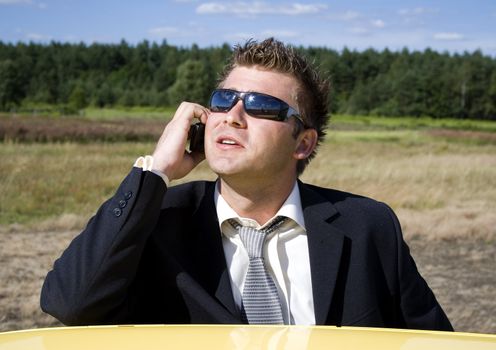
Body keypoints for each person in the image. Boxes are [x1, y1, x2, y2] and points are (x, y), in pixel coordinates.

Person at [41, 38, 453, 330]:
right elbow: (70, 303)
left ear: (303, 143)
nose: (232, 116)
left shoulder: (368, 227)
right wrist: (156, 171)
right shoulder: (158, 219)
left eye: (261, 106)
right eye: (222, 100)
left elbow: (430, 341)